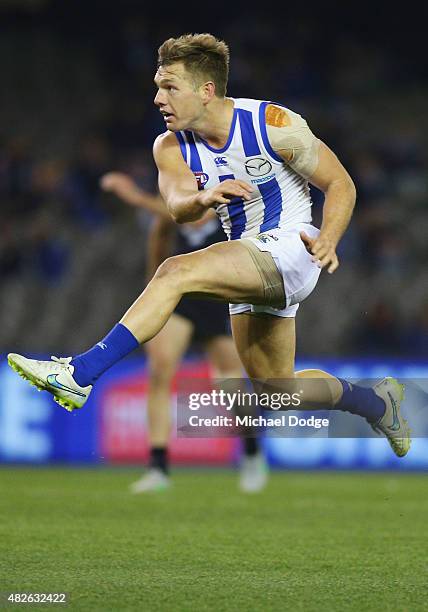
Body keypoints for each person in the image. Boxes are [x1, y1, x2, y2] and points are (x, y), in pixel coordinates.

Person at [8, 33, 410, 458]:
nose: (159, 99)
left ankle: (80, 373)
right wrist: (200, 198)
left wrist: (329, 237)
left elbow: (339, 183)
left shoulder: (271, 125)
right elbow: (178, 206)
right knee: (276, 390)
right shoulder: (169, 146)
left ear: (206, 91)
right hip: (250, 260)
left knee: (174, 271)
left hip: (294, 246)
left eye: (170, 88)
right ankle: (378, 403)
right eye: (158, 87)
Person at [100, 171, 268, 492]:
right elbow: (158, 240)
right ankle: (158, 466)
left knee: (228, 382)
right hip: (181, 299)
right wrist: (153, 293)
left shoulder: (230, 213)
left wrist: (135, 196)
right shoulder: (173, 215)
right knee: (160, 370)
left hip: (220, 299)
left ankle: (251, 451)